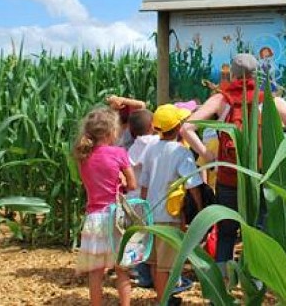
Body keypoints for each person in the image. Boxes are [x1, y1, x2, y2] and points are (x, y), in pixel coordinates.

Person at [180, 53, 286, 274]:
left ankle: (222, 291)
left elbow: (186, 128)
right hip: (260, 179)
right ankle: (255, 285)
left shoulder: (221, 100)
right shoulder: (271, 101)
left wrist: (207, 154)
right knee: (258, 233)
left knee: (226, 233)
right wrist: (281, 154)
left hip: (228, 179)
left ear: (232, 74)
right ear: (256, 74)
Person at [140, 104, 206, 304]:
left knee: (155, 261)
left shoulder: (150, 148)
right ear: (179, 128)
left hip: (151, 214)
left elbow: (144, 182)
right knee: (165, 266)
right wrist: (201, 208)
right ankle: (164, 300)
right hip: (169, 216)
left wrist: (143, 209)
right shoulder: (181, 152)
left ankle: (163, 296)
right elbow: (193, 183)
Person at [73, 107, 136, 306]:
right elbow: (132, 184)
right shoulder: (119, 153)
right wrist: (121, 183)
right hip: (115, 216)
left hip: (93, 219)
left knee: (95, 271)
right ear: (111, 132)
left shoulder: (83, 156)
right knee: (122, 269)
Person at [124, 109, 159, 288]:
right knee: (151, 238)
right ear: (153, 126)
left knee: (136, 236)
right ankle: (150, 275)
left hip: (132, 199)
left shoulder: (132, 147)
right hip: (150, 198)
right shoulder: (156, 143)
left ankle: (137, 271)